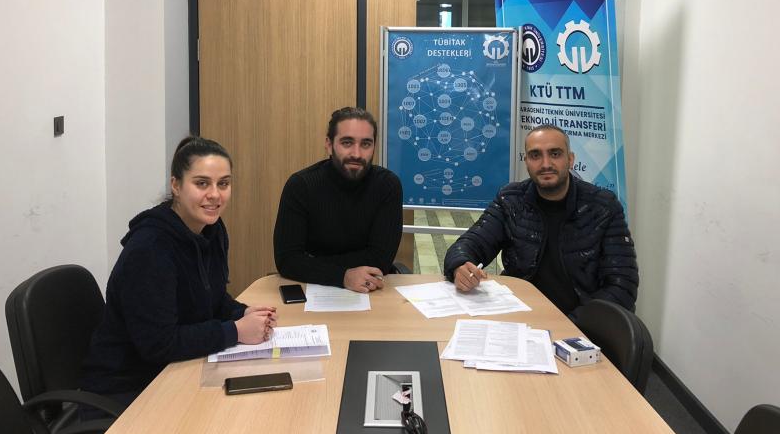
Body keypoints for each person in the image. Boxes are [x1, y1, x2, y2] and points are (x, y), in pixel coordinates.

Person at [81, 136, 277, 408]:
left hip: (178, 369)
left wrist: (242, 313)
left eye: (223, 183)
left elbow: (212, 298)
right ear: (176, 185)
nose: (215, 195)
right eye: (202, 183)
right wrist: (235, 331)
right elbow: (159, 344)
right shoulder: (149, 249)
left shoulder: (212, 229)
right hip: (129, 387)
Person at [444, 124, 638, 314]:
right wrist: (460, 265)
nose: (545, 164)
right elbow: (470, 244)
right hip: (520, 315)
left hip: (582, 323)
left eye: (555, 154)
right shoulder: (510, 200)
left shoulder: (604, 207)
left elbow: (622, 286)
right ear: (527, 161)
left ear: (570, 160)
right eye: (535, 155)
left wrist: (575, 323)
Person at [273, 107, 403, 293]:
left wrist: (311, 263)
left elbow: (380, 259)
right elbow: (287, 260)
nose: (357, 154)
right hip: (312, 289)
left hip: (371, 290)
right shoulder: (301, 186)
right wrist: (343, 276)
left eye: (366, 144)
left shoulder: (387, 186)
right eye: (347, 142)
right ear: (329, 144)